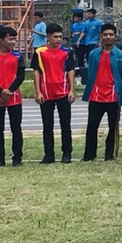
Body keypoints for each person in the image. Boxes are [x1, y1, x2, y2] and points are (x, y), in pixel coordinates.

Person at [82, 24, 122, 162]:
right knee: (92, 126)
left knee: (113, 127)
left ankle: (110, 154)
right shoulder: (93, 54)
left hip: (114, 97)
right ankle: (89, 155)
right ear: (101, 36)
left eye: (111, 34)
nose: (108, 37)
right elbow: (91, 73)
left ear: (115, 36)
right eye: (105, 34)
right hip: (96, 96)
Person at [0, 25, 26, 167]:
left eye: (14, 39)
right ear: (1, 40)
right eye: (10, 39)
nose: (13, 42)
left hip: (14, 98)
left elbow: (20, 76)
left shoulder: (18, 56)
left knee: (16, 128)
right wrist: (1, 91)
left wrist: (9, 91)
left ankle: (17, 157)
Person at [33, 23, 76, 163]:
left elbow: (70, 71)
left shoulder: (67, 52)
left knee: (65, 124)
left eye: (60, 37)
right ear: (48, 37)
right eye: (55, 37)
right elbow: (36, 72)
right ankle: (49, 154)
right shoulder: (39, 52)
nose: (58, 40)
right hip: (46, 93)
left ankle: (67, 153)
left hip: (63, 92)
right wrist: (38, 91)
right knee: (47, 125)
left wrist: (71, 90)